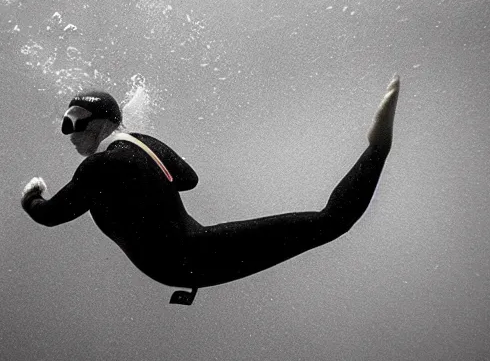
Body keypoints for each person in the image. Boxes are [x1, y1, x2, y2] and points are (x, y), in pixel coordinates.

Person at [22, 76, 400, 305]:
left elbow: (50, 215)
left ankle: (378, 147)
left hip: (188, 261)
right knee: (328, 223)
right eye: (65, 123)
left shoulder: (99, 167)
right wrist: (138, 154)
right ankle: (377, 149)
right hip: (197, 249)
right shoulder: (140, 147)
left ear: (102, 120)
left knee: (330, 222)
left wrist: (31, 196)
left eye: (73, 121)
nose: (68, 134)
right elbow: (187, 178)